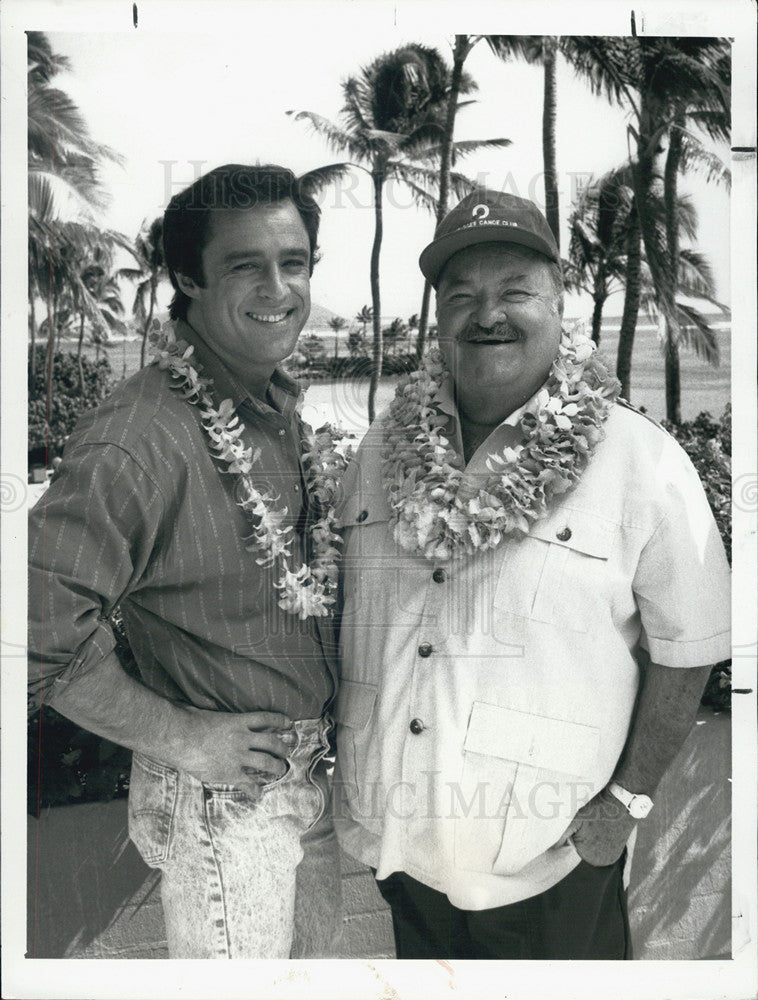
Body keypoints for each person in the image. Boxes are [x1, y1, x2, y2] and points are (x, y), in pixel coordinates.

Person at [333, 189, 731, 960]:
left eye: (514, 291)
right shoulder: (379, 451)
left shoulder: (641, 460)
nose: (488, 315)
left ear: (558, 301)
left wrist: (626, 803)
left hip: (551, 863)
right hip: (400, 856)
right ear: (440, 314)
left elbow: (694, 643)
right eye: (463, 296)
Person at [28, 164, 345, 959]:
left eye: (295, 262)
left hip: (313, 785)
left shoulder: (274, 407)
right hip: (222, 805)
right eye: (245, 265)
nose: (279, 288)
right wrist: (183, 739)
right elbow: (29, 636)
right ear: (186, 281)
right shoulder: (137, 438)